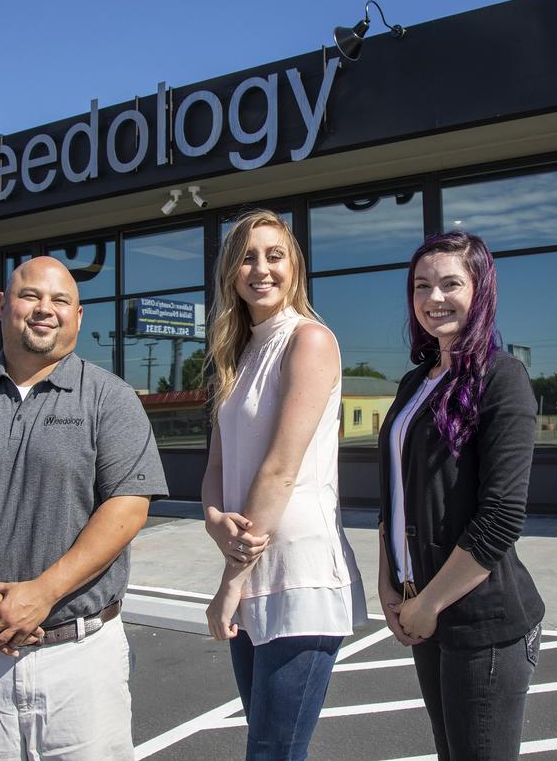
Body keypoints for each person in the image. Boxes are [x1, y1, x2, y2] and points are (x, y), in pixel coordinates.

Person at [0, 256, 168, 760]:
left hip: (82, 660)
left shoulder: (110, 398)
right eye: (30, 296)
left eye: (60, 300)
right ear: (3, 306)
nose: (45, 309)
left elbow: (128, 507)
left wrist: (41, 594)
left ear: (78, 317)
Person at [201, 209, 366, 761]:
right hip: (252, 567)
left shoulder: (310, 341)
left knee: (271, 752)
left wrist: (229, 581)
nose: (261, 268)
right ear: (231, 273)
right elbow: (219, 466)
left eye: (275, 255)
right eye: (247, 256)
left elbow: (280, 469)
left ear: (295, 267)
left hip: (299, 573)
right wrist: (211, 515)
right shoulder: (238, 356)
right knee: (268, 746)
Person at [378, 231, 545, 760]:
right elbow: (397, 492)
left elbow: (500, 517)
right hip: (422, 607)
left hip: (481, 619)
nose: (434, 299)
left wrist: (428, 601)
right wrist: (391, 581)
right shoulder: (414, 383)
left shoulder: (503, 378)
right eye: (421, 286)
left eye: (451, 284)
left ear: (481, 291)